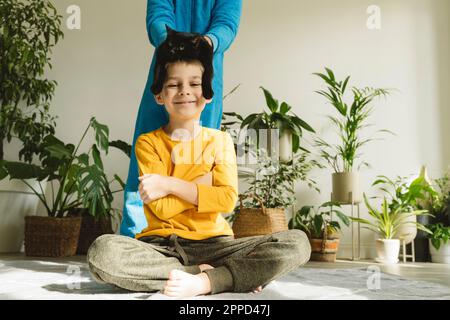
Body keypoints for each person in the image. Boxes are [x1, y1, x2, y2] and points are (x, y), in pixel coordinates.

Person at [87, 29, 311, 298]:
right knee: (103, 253)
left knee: (297, 242)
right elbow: (163, 209)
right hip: (159, 246)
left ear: (207, 94)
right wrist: (204, 185)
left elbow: (227, 200)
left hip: (215, 244)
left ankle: (213, 280)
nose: (185, 92)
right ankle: (201, 272)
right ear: (159, 95)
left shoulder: (220, 141)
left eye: (194, 84)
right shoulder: (148, 143)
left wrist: (169, 183)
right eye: (174, 85)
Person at [121, 0, 243, 238]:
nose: (185, 91)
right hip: (167, 70)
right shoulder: (163, 95)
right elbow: (157, 17)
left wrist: (207, 44)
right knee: (142, 167)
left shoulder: (203, 105)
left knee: (200, 160)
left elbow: (226, 24)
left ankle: (196, 237)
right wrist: (170, 42)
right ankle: (136, 237)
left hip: (206, 71)